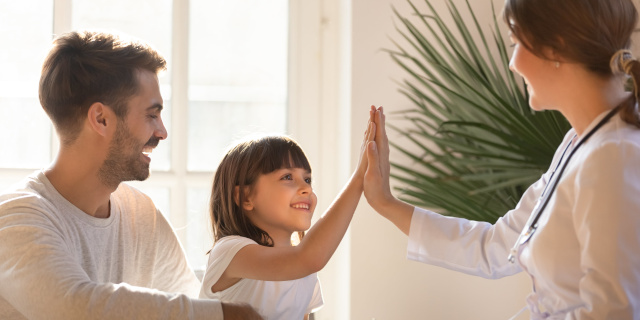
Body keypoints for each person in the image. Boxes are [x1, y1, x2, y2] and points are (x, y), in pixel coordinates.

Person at [363, 0, 640, 318]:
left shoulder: (613, 158)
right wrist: (385, 202)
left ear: (556, 49)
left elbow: (614, 313)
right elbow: (495, 245)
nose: (512, 63)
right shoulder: (579, 143)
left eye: (516, 44)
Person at [0, 31, 261, 319]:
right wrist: (229, 315)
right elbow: (74, 307)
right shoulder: (15, 217)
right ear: (101, 119)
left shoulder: (142, 216)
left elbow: (188, 297)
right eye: (151, 115)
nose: (162, 132)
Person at [199, 120, 375, 319]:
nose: (306, 188)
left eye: (307, 179)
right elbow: (308, 258)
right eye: (287, 177)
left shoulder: (305, 269)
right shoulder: (231, 251)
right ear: (246, 197)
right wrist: (359, 178)